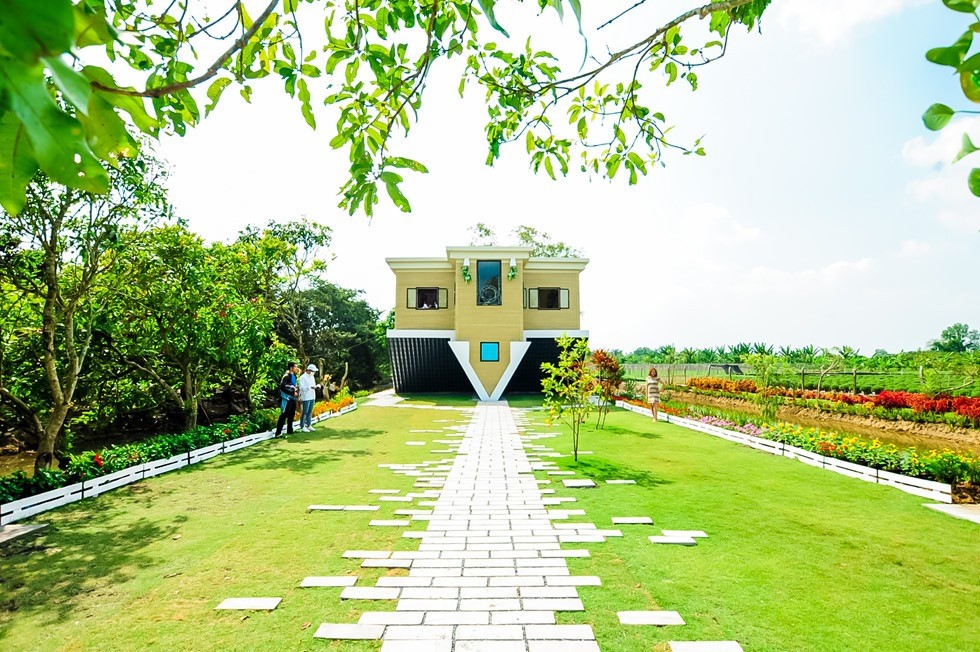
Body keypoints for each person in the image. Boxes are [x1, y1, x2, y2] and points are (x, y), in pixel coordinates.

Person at [275, 361, 299, 437]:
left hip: (293, 398)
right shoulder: (286, 376)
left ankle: (290, 430)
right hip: (286, 398)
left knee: (291, 414)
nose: (297, 368)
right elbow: (282, 387)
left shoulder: (294, 376)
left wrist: (295, 391)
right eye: (295, 367)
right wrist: (291, 393)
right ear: (291, 368)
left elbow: (293, 386)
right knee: (284, 414)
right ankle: (278, 433)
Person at [298, 363, 320, 432]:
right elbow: (301, 388)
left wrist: (316, 386)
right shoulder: (302, 377)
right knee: (305, 412)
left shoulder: (312, 377)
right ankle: (302, 426)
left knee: (310, 411)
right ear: (309, 370)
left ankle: (309, 424)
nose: (313, 373)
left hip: (312, 396)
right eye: (313, 371)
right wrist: (309, 387)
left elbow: (313, 385)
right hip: (305, 397)